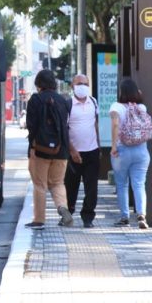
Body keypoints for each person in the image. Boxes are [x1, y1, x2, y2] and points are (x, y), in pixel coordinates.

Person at [24, 69, 72, 230]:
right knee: (58, 183)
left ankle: (39, 219)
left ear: (38, 84)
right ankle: (62, 208)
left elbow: (31, 126)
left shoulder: (35, 100)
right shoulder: (63, 100)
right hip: (61, 150)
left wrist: (32, 147)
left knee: (40, 185)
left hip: (40, 151)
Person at [110, 78, 150, 229]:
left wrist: (113, 146)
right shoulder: (142, 107)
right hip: (141, 150)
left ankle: (124, 216)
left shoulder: (116, 107)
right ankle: (141, 214)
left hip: (122, 150)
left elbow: (115, 124)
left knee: (122, 184)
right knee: (139, 184)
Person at [64, 74, 100, 228]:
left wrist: (98, 145)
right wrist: (72, 151)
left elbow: (95, 124)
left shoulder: (93, 101)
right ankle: (68, 213)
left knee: (91, 187)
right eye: (79, 83)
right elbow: (64, 130)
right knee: (71, 186)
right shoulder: (68, 104)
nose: (83, 86)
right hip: (74, 153)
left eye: (86, 83)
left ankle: (88, 216)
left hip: (92, 151)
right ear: (72, 86)